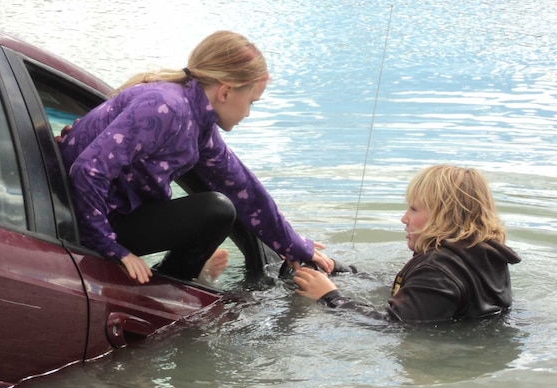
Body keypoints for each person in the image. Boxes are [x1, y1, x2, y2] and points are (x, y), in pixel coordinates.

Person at [58, 30, 333, 285]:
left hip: (109, 213)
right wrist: (111, 248)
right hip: (85, 219)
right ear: (225, 91)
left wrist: (294, 246)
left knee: (221, 206)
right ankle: (171, 284)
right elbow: (88, 170)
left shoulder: (196, 122)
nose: (248, 113)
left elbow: (242, 187)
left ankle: (188, 277)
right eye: (251, 102)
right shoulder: (166, 108)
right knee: (217, 210)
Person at [293, 165, 521, 322]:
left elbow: (393, 325)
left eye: (414, 209)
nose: (404, 218)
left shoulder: (437, 269)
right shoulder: (480, 253)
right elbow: (411, 289)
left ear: (445, 216)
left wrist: (331, 298)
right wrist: (341, 270)